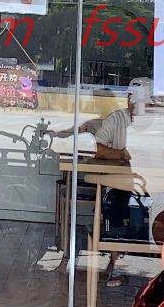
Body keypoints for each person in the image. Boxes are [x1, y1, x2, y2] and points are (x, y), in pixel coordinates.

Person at [53, 93, 138, 286]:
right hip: (104, 181)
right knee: (105, 206)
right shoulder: (101, 122)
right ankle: (103, 261)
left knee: (117, 212)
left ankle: (113, 262)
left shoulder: (119, 122)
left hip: (121, 182)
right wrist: (56, 134)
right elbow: (78, 134)